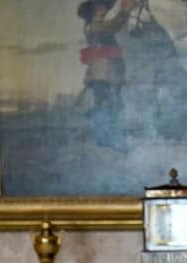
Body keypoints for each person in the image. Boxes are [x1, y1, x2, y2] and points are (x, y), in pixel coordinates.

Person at [76, 0, 135, 150]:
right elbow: (113, 26)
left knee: (110, 106)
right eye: (98, 8)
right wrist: (125, 11)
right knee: (106, 105)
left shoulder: (97, 25)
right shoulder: (95, 25)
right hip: (102, 74)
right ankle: (106, 139)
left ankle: (107, 138)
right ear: (92, 12)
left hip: (108, 73)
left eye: (103, 8)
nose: (103, 11)